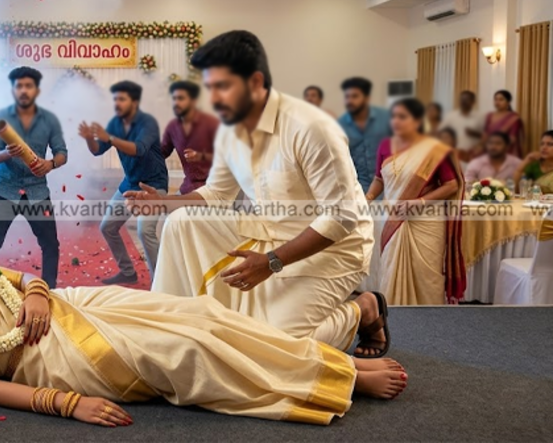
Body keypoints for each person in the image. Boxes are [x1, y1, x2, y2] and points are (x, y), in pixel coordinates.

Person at [0, 230, 408, 427]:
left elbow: (20, 277)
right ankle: (342, 372)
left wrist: (35, 294)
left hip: (69, 302)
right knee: (186, 348)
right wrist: (66, 404)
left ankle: (349, 332)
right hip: (48, 356)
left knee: (201, 313)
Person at [131, 30, 388, 358]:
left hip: (335, 248)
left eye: (222, 87)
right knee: (181, 221)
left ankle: (363, 309)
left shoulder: (311, 128)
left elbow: (342, 218)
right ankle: (178, 327)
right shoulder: (230, 130)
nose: (215, 100)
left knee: (272, 349)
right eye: (210, 88)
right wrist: (164, 202)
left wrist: (271, 261)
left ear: (255, 82)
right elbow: (217, 194)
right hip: (269, 234)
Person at [364, 99, 464, 306]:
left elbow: (452, 185)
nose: (396, 121)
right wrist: (368, 197)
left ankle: (431, 319)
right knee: (390, 270)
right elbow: (379, 179)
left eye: (402, 117)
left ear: (418, 121)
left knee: (427, 277)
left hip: (426, 221)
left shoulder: (433, 150)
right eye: (393, 116)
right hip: (393, 218)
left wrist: (419, 202)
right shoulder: (385, 145)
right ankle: (394, 317)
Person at [0, 67, 67, 288]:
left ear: (36, 90)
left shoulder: (49, 120)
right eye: (19, 86)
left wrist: (50, 164)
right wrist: (7, 153)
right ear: (13, 90)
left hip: (37, 191)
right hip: (4, 189)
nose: (23, 90)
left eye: (28, 86)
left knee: (50, 245)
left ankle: (49, 292)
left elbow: (62, 153)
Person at [79, 81, 169, 285]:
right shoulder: (115, 124)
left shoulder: (147, 123)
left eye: (122, 99)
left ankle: (161, 282)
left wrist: (110, 138)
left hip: (153, 185)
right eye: (115, 99)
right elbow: (97, 150)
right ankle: (128, 272)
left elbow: (139, 149)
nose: (117, 103)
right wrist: (89, 138)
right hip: (130, 183)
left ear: (134, 102)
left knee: (145, 231)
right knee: (107, 227)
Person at [161, 80, 219, 195]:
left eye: (181, 98)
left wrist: (201, 156)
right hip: (188, 187)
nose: (176, 103)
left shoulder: (211, 124)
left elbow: (228, 158)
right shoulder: (173, 126)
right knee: (164, 205)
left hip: (214, 188)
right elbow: (162, 152)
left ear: (193, 101)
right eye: (174, 98)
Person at [337, 77, 391, 195]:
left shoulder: (387, 117)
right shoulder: (340, 125)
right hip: (358, 188)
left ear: (367, 98)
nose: (349, 101)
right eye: (347, 96)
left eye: (355, 96)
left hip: (388, 185)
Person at [440, 91, 484, 161]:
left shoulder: (481, 117)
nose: (463, 101)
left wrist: (475, 134)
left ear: (473, 102)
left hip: (472, 156)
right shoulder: (450, 116)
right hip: (453, 154)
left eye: (466, 99)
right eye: (462, 99)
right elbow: (440, 133)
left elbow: (486, 136)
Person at [483, 90, 524, 158]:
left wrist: (497, 146)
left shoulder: (514, 118)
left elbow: (512, 138)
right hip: (489, 150)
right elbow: (485, 134)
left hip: (507, 152)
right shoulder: (489, 116)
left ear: (508, 102)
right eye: (496, 99)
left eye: (501, 100)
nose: (497, 102)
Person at [514, 130, 553, 194]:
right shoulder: (534, 166)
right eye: (542, 144)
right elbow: (517, 190)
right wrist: (527, 160)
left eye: (550, 144)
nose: (544, 147)